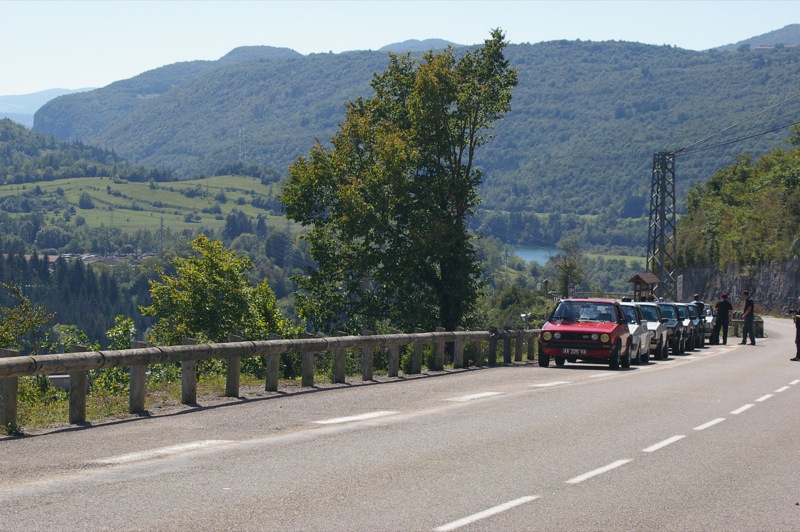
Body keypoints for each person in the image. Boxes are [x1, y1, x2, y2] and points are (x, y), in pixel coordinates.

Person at [791, 296, 800, 361]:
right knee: (797, 341)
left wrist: (796, 315)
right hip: (798, 326)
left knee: (798, 341)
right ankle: (798, 356)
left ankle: (798, 356)